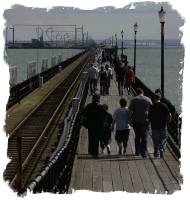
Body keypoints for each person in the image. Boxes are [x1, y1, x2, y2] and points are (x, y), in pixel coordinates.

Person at [128, 88, 152, 157]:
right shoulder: (148, 99)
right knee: (144, 136)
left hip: (136, 121)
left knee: (137, 136)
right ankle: (143, 152)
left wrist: (130, 120)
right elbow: (151, 111)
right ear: (143, 93)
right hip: (145, 120)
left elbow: (130, 111)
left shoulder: (134, 100)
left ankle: (137, 151)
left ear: (136, 93)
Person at [148, 93, 171, 158]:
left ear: (154, 99)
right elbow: (169, 114)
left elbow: (149, 117)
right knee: (164, 137)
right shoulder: (164, 105)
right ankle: (162, 148)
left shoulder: (152, 106)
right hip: (163, 125)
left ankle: (156, 154)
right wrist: (169, 120)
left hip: (154, 125)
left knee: (155, 140)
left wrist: (148, 125)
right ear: (160, 98)